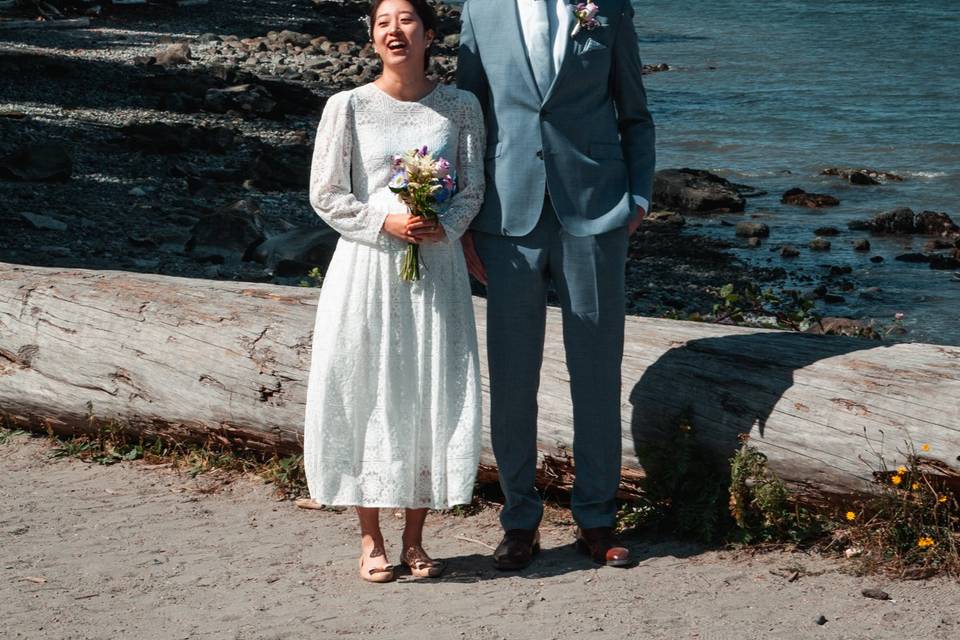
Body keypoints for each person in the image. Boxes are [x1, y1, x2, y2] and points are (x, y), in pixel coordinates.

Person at [457, 0, 655, 569]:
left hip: (596, 213)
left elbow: (635, 112)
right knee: (513, 378)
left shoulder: (608, 8)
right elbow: (469, 119)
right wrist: (466, 218)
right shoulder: (481, 9)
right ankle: (519, 520)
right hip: (505, 219)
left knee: (597, 371)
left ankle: (596, 517)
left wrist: (638, 196)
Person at [302, 0, 486, 583]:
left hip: (435, 266)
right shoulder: (348, 105)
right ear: (373, 38)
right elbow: (326, 193)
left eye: (406, 20)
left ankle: (415, 539)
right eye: (383, 22)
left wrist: (445, 226)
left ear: (430, 34)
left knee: (429, 386)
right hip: (367, 267)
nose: (393, 30)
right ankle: (370, 537)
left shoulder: (460, 106)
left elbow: (474, 187)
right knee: (366, 384)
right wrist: (385, 222)